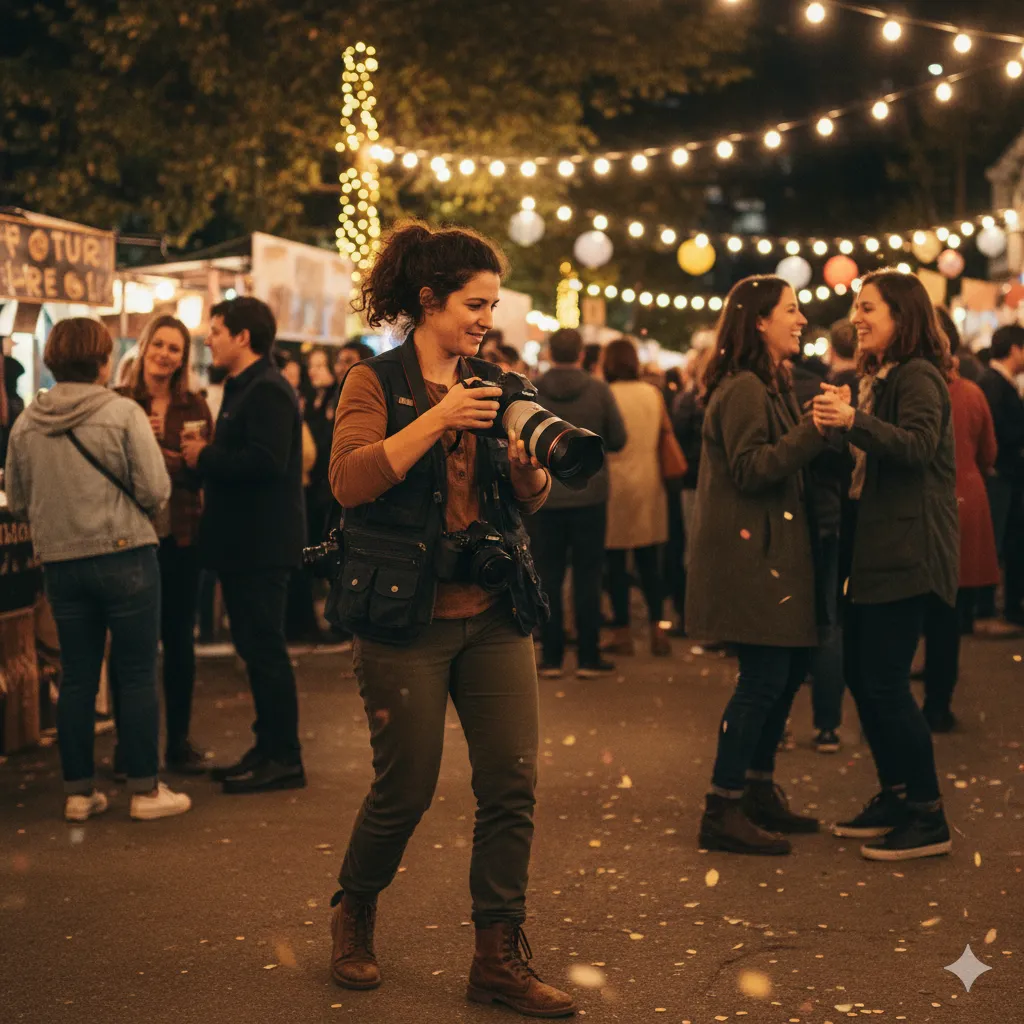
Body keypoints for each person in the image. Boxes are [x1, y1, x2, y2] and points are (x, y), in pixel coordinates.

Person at [326, 222, 574, 1016]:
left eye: (491, 306)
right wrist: (438, 418)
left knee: (513, 784)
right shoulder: (373, 380)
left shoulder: (501, 382)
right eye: (474, 304)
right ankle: (354, 909)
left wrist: (531, 473)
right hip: (406, 620)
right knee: (407, 786)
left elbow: (523, 498)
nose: (484, 320)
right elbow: (349, 481)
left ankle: (497, 956)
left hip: (495, 612)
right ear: (427, 300)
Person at [4, 317, 191, 821]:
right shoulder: (122, 413)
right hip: (126, 554)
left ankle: (79, 793)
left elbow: (19, 503)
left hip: (62, 564)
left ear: (51, 358)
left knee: (78, 676)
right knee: (134, 673)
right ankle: (146, 791)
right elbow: (155, 490)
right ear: (103, 360)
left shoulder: (27, 423)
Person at [813, 269, 957, 862]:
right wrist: (842, 424)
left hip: (907, 549)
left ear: (903, 315)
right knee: (861, 676)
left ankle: (927, 813)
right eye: (856, 307)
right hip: (872, 549)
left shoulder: (919, 374)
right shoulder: (879, 378)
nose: (858, 317)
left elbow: (919, 446)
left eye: (869, 307)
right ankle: (897, 795)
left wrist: (855, 424)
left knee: (886, 681)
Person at [686, 277, 828, 856]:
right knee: (763, 680)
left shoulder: (769, 382)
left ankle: (757, 788)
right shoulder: (744, 387)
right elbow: (750, 468)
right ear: (759, 322)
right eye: (791, 311)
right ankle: (722, 806)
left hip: (773, 554)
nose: (802, 320)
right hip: (754, 558)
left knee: (786, 672)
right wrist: (813, 432)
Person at [180, 297, 307, 794]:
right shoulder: (243, 387)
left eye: (215, 330)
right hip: (242, 545)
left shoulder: (268, 390)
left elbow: (265, 462)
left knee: (265, 650)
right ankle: (267, 746)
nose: (207, 338)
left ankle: (285, 757)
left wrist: (203, 456)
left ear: (243, 337)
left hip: (261, 545)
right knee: (254, 650)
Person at [118, 314, 213, 773]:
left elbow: (202, 469)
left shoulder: (194, 405)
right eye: (159, 344)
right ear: (144, 346)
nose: (165, 354)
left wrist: (162, 457)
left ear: (183, 357)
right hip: (129, 538)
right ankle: (129, 749)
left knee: (178, 642)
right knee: (132, 646)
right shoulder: (118, 402)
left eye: (175, 348)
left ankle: (178, 743)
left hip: (182, 536)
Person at [528, 327, 627, 678]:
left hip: (545, 494)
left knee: (548, 575)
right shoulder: (598, 390)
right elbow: (618, 438)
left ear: (550, 353)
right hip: (590, 494)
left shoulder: (533, 390)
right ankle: (588, 656)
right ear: (582, 354)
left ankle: (552, 657)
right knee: (588, 575)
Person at [920, 324, 1000, 730]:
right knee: (948, 614)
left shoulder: (911, 390)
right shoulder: (970, 392)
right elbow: (989, 450)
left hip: (927, 503)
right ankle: (938, 702)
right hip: (967, 497)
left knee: (920, 606)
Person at [790, 348, 850, 754]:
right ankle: (827, 726)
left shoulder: (776, 393)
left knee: (781, 624)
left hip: (785, 522)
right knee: (826, 623)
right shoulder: (825, 400)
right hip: (826, 519)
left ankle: (776, 728)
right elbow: (843, 463)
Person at [602, 337, 673, 657]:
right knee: (650, 562)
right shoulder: (653, 393)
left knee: (616, 563)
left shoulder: (607, 394)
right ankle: (659, 628)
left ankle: (622, 631)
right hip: (649, 479)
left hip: (614, 481)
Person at [977, 325, 1024, 625]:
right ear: (1015, 349)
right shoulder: (994, 384)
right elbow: (996, 432)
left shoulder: (998, 382)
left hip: (1005, 475)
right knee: (997, 539)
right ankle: (987, 605)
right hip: (1000, 475)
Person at [279, 353, 324, 643]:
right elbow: (304, 453)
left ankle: (300, 623)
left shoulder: (294, 401)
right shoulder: (285, 402)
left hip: (301, 488)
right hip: (292, 489)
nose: (297, 379)